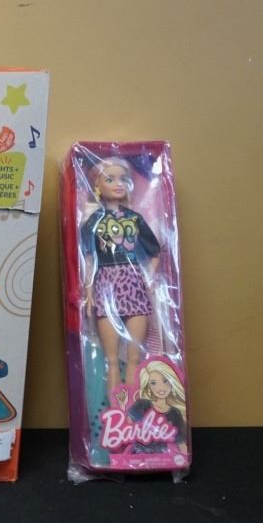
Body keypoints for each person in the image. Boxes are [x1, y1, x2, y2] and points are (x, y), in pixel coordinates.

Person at [80, 158, 162, 393]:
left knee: (135, 357)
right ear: (98, 185)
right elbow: (88, 257)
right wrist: (89, 291)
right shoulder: (94, 221)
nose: (118, 184)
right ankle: (115, 410)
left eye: (123, 179)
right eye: (110, 179)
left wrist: (147, 278)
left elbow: (155, 252)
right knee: (112, 360)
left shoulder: (134, 218)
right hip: (106, 286)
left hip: (134, 285)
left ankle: (133, 408)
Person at [127, 360, 188, 454]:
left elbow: (181, 443)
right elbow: (127, 427)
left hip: (162, 457)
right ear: (148, 386)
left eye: (165, 381)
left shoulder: (175, 413)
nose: (160, 388)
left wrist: (185, 457)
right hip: (137, 455)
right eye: (153, 383)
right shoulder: (142, 404)